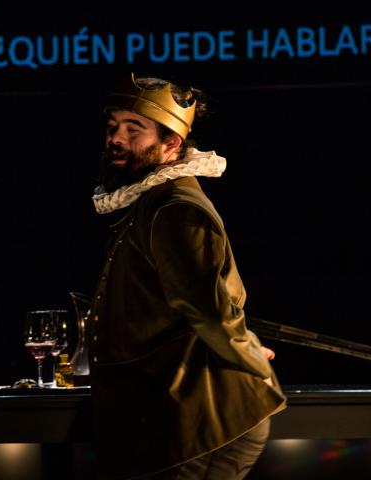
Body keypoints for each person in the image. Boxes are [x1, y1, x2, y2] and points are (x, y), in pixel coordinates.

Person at [86, 73, 287, 480]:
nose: (116, 138)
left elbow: (210, 311)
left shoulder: (175, 208)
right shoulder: (151, 200)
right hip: (175, 414)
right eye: (113, 127)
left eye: (133, 129)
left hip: (208, 420)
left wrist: (250, 354)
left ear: (172, 143)